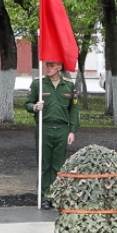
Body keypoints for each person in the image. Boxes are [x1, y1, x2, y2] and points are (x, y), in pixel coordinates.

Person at [25, 61, 79, 209]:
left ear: (59, 67)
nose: (48, 68)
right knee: (44, 164)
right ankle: (44, 196)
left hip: (62, 129)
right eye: (47, 65)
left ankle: (56, 195)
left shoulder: (68, 85)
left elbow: (74, 109)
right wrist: (35, 107)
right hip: (44, 128)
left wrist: (72, 131)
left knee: (58, 165)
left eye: (51, 65)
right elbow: (27, 104)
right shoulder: (38, 84)